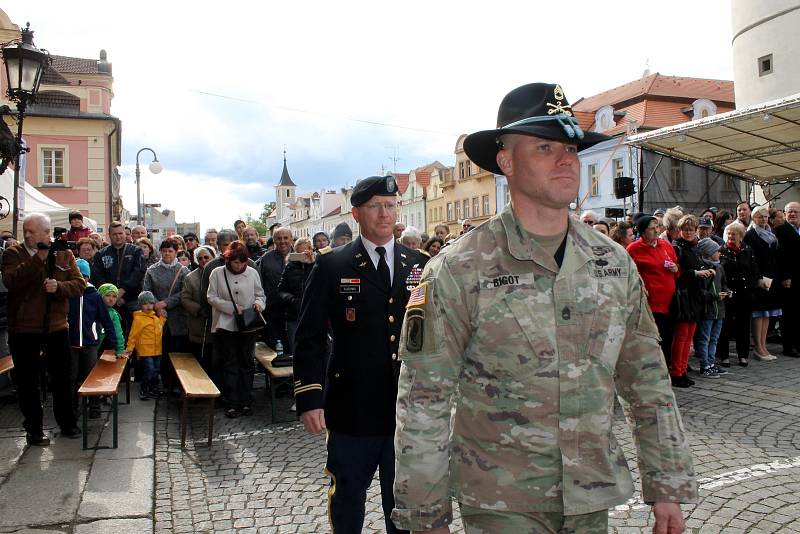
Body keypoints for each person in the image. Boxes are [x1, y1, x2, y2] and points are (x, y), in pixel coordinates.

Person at [391, 83, 697, 533]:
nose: (566, 159)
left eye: (571, 147)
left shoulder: (611, 262)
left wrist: (667, 482)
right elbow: (423, 401)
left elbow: (646, 377)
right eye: (545, 146)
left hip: (590, 494)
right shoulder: (457, 270)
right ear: (506, 162)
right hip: (502, 499)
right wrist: (425, 516)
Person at [294, 174, 424, 534]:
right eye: (375, 207)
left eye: (390, 205)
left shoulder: (420, 264)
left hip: (407, 408)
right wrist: (309, 398)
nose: (384, 214)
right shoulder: (332, 265)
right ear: (356, 214)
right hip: (352, 406)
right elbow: (310, 336)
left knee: (402, 500)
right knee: (348, 494)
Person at [2, 213, 87, 445]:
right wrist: (38, 257)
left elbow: (80, 285)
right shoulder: (13, 254)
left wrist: (59, 286)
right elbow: (12, 281)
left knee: (62, 378)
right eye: (25, 231)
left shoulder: (64, 254)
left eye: (32, 231)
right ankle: (34, 429)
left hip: (56, 327)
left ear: (46, 233)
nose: (27, 235)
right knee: (28, 382)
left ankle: (67, 423)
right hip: (23, 329)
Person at [207, 241, 265, 418]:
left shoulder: (252, 273)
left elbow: (260, 294)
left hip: (248, 325)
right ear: (228, 260)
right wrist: (231, 307)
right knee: (230, 363)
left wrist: (258, 305)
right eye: (235, 262)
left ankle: (246, 400)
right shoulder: (217, 273)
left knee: (247, 363)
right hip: (226, 325)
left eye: (242, 262)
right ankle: (231, 402)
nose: (239, 265)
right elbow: (211, 296)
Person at [199, 229, 256, 388]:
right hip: (221, 323)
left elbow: (258, 292)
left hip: (245, 323)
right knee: (222, 360)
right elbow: (205, 295)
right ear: (218, 246)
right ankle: (224, 394)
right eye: (225, 245)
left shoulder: (250, 265)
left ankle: (244, 395)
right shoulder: (212, 267)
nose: (228, 249)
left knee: (245, 360)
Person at [627, 215, 679, 369]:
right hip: (651, 303)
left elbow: (677, 266)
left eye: (658, 226)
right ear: (643, 232)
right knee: (653, 338)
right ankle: (653, 370)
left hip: (670, 301)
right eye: (652, 228)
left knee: (669, 336)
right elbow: (629, 274)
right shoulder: (634, 249)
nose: (657, 230)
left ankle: (666, 369)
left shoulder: (666, 245)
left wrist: (676, 269)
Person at [68, 259, 118, 419]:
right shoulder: (68, 294)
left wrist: (114, 343)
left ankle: (94, 406)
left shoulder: (94, 295)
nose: (82, 279)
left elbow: (106, 319)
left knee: (91, 376)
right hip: (70, 342)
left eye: (85, 276)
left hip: (89, 343)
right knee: (72, 377)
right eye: (78, 275)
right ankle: (73, 407)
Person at [670, 214, 709, 388]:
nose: (689, 232)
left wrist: (707, 271)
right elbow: (677, 274)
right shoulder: (677, 247)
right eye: (685, 229)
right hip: (683, 295)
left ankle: (683, 369)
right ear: (680, 230)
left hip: (695, 295)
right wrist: (695, 273)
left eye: (692, 229)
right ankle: (677, 372)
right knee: (682, 335)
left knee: (689, 335)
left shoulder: (695, 247)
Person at [718, 221, 762, 367]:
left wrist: (752, 286)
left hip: (744, 294)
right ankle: (724, 356)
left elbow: (754, 270)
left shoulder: (748, 250)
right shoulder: (722, 250)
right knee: (726, 326)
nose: (731, 236)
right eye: (729, 234)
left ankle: (743, 355)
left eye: (734, 234)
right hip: (728, 294)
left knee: (743, 326)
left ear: (741, 236)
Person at [91, 221, 145, 332]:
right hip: (109, 299)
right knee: (109, 332)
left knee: (135, 332)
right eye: (114, 234)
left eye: (120, 233)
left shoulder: (136, 251)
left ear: (125, 234)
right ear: (109, 235)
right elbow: (98, 276)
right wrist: (112, 294)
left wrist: (122, 291)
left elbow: (138, 273)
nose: (118, 236)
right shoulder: (101, 254)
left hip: (132, 298)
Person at [744, 205, 782, 361]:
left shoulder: (771, 233)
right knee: (759, 313)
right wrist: (758, 278)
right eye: (760, 216)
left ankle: (763, 346)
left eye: (765, 216)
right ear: (754, 218)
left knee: (768, 313)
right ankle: (758, 347)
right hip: (759, 279)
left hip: (771, 278)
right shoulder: (750, 235)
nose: (763, 219)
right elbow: (751, 259)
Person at [143, 239, 189, 359]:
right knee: (160, 353)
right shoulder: (151, 270)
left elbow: (184, 292)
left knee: (179, 355)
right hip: (157, 317)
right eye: (164, 251)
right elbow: (147, 290)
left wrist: (165, 303)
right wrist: (157, 306)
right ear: (160, 252)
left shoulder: (183, 271)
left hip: (178, 318)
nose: (167, 254)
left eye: (170, 251)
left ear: (176, 252)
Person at [694, 238, 730, 379]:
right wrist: (714, 296)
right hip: (707, 310)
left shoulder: (719, 267)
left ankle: (711, 362)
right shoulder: (702, 269)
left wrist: (728, 291)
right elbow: (700, 291)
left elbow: (724, 284)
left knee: (714, 338)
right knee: (705, 338)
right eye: (716, 251)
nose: (719, 253)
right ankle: (705, 365)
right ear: (709, 253)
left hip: (719, 310)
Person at [277, 237, 315, 354]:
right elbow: (281, 290)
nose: (301, 255)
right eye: (299, 253)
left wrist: (310, 264)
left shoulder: (317, 266)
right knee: (296, 351)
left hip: (313, 316)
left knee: (314, 351)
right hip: (294, 315)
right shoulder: (290, 267)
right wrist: (293, 300)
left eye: (304, 252)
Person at [126, 291, 167, 400]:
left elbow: (159, 328)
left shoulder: (155, 317)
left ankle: (152, 389)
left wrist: (163, 319)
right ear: (140, 305)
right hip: (145, 350)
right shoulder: (139, 319)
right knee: (149, 370)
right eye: (145, 303)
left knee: (155, 371)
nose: (148, 306)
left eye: (151, 303)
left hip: (157, 350)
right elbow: (133, 335)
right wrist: (130, 348)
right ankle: (144, 389)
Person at [257, 227, 293, 348]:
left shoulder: (299, 256)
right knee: (277, 346)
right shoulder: (266, 259)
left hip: (295, 311)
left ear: (291, 239)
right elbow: (260, 284)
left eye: (285, 238)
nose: (282, 241)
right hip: (273, 310)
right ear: (274, 241)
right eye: (279, 238)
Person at [181, 245, 216, 369]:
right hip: (199, 325)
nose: (203, 260)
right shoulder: (190, 278)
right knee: (201, 360)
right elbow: (185, 299)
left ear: (213, 258)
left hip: (218, 325)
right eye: (200, 258)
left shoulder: (221, 274)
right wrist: (199, 309)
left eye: (206, 257)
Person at [773, 201, 800, 357]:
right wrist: (784, 276)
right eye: (790, 212)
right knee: (789, 314)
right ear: (784, 214)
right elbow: (779, 257)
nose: (793, 214)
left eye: (796, 211)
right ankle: (789, 346)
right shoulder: (780, 230)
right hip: (788, 279)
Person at [97, 283, 126, 357]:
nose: (111, 299)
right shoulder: (92, 310)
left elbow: (118, 334)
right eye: (107, 295)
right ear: (100, 296)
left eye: (114, 296)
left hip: (103, 348)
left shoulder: (114, 314)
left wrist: (120, 350)